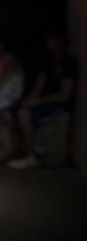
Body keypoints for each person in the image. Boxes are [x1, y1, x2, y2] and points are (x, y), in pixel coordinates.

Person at [8, 31, 76, 169]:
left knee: (24, 114)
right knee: (14, 110)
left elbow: (64, 95)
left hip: (58, 106)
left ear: (60, 41)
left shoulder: (69, 63)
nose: (47, 42)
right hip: (43, 102)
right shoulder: (48, 62)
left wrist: (38, 101)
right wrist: (28, 100)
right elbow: (38, 87)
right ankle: (27, 149)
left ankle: (33, 155)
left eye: (51, 39)